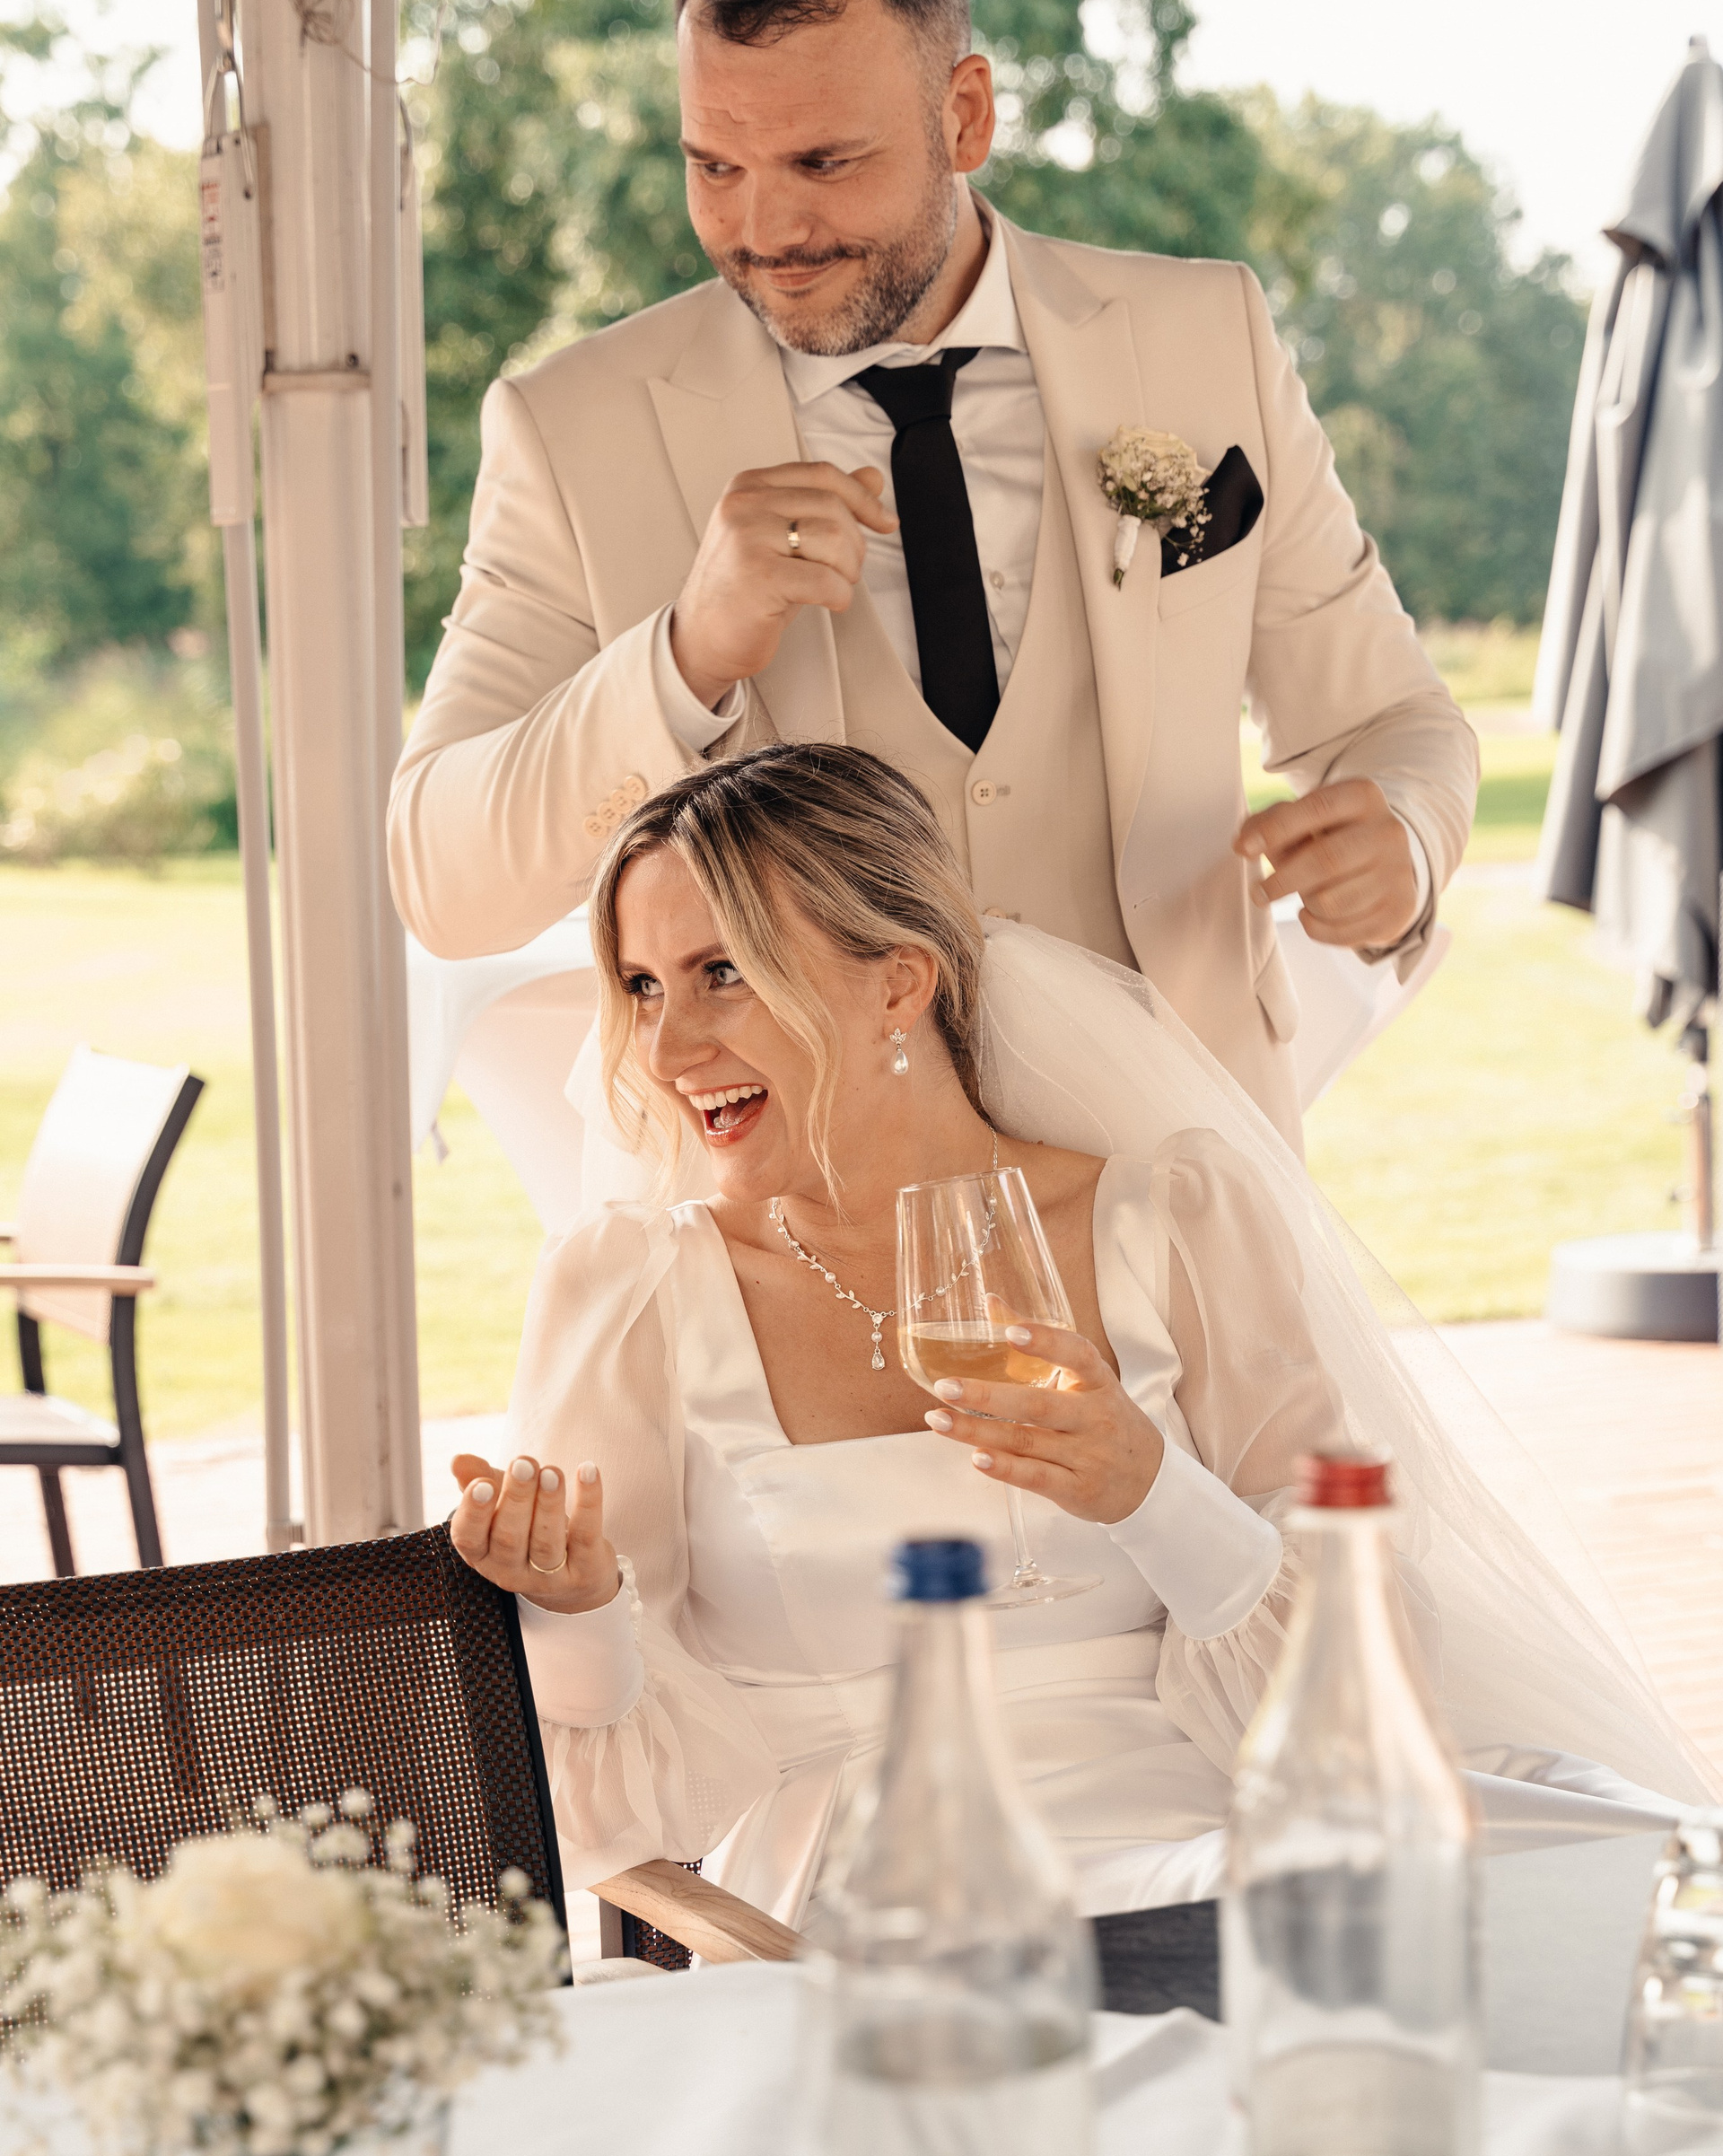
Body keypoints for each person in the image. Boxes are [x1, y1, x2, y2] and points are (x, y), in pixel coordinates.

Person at [448, 746, 1706, 2009]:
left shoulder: (1175, 1219)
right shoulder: (633, 1292)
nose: (668, 1046)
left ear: (899, 983)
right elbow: (617, 1776)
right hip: (896, 1872)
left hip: (1228, 1805)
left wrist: (1151, 1490)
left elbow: (1367, 1653)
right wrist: (578, 1606)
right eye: (642, 986)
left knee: (1655, 1883)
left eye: (722, 973)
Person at [388, 0, 1479, 1148]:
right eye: (716, 167)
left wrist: (1406, 840)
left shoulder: (1201, 340)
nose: (766, 233)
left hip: (1184, 1173)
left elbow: (1392, 723)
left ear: (965, 115)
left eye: (823, 163)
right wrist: (682, 658)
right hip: (797, 1214)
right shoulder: (573, 429)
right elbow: (441, 880)